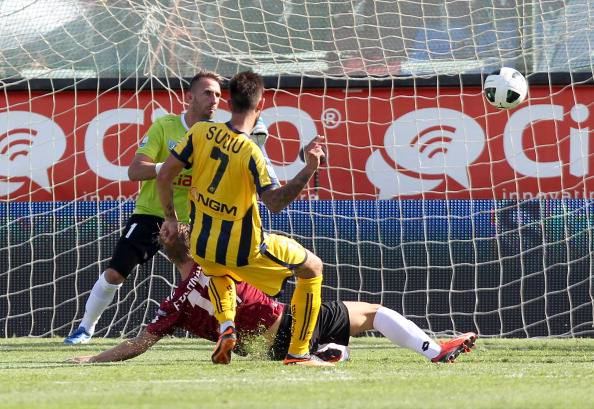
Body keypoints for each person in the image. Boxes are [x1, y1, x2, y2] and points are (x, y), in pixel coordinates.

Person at [69, 225, 478, 364]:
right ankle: (433, 351)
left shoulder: (174, 304)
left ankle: (325, 354)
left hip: (265, 349)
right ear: (194, 244)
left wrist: (92, 358)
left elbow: (138, 344)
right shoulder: (223, 262)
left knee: (332, 332)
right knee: (373, 313)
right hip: (290, 322)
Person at [157, 71, 329, 366]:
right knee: (313, 267)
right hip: (245, 249)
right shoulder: (251, 152)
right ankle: (299, 353)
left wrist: (171, 218)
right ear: (260, 106)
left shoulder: (200, 132)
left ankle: (227, 327)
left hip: (203, 246)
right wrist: (309, 168)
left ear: (228, 102)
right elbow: (275, 203)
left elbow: (164, 175)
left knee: (219, 270)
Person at [63, 70, 225, 344]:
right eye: (208, 93)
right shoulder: (165, 127)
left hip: (195, 220)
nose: (215, 100)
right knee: (115, 273)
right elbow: (135, 170)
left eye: (218, 95)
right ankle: (85, 329)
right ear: (190, 97)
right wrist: (169, 167)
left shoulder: (219, 135)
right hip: (153, 213)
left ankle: (224, 330)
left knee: (204, 280)